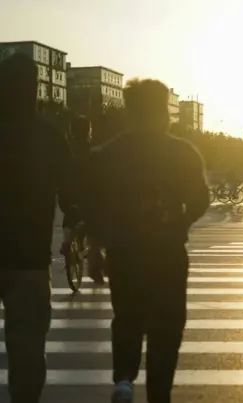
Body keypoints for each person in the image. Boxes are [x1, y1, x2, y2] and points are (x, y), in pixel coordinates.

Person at [84, 78, 210, 403]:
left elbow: (95, 206)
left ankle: (124, 379)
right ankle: (158, 394)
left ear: (130, 111)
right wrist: (179, 219)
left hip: (123, 253)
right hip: (167, 252)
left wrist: (94, 249)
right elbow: (201, 200)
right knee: (166, 328)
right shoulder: (182, 152)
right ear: (163, 111)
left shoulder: (107, 154)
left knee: (127, 318)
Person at [0, 53, 78, 403]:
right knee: (27, 350)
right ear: (33, 89)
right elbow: (72, 192)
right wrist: (75, 229)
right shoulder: (48, 137)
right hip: (29, 258)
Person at [61, 115, 107, 284]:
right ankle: (92, 247)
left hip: (66, 194)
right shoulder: (93, 151)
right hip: (87, 194)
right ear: (88, 131)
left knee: (69, 214)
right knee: (93, 218)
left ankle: (67, 240)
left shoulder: (65, 150)